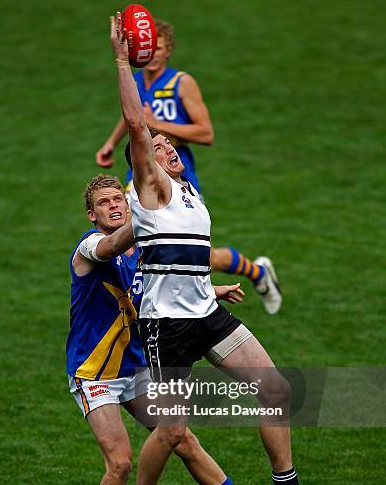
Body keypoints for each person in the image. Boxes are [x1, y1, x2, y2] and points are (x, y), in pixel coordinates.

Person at [109, 11, 340, 485]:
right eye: (161, 144)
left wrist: (214, 287)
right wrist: (122, 60)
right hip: (168, 326)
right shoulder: (152, 189)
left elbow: (178, 257)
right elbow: (138, 126)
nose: (168, 146)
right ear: (147, 165)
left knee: (276, 389)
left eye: (168, 145)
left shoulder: (188, 194)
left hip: (206, 311)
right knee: (170, 430)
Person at [66, 173, 295, 485]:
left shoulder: (141, 252)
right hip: (94, 374)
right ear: (91, 213)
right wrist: (151, 210)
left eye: (119, 199)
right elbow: (113, 244)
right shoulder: (88, 248)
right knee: (119, 462)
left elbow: (171, 281)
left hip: (134, 367)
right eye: (105, 203)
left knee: (180, 436)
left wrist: (210, 291)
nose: (115, 206)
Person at [96, 18, 282, 314]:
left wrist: (157, 125)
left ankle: (257, 273)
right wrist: (110, 142)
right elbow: (132, 117)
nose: (152, 53)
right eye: (147, 47)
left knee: (196, 257)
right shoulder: (140, 83)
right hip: (142, 177)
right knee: (133, 244)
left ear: (169, 51)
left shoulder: (182, 83)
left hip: (177, 179)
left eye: (159, 48)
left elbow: (205, 133)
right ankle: (130, 308)